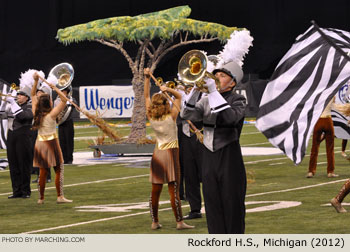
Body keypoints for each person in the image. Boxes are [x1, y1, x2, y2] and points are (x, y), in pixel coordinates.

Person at [181, 61, 247, 234]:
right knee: (212, 206)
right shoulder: (206, 100)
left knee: (232, 207)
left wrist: (212, 92)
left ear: (233, 83)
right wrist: (195, 91)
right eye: (216, 74)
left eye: (222, 76)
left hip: (229, 158)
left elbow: (229, 118)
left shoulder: (238, 99)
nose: (216, 77)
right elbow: (186, 115)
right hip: (208, 158)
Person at [144, 68, 194, 230]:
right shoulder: (172, 116)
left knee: (155, 190)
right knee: (174, 190)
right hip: (171, 153)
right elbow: (179, 96)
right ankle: (179, 222)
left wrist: (146, 78)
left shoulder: (151, 116)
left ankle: (155, 221)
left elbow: (145, 96)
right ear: (166, 103)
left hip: (157, 154)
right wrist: (168, 90)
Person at [31, 72, 72, 204]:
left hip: (40, 143)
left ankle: (41, 198)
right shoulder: (52, 114)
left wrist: (36, 81)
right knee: (59, 169)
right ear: (49, 103)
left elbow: (32, 95)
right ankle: (60, 196)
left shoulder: (36, 113)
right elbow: (64, 100)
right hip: (52, 142)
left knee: (42, 171)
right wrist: (55, 88)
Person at [2, 85, 33, 199]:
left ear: (27, 97)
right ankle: (16, 191)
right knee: (13, 164)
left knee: (23, 164)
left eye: (21, 95)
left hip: (23, 136)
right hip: (12, 135)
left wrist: (12, 103)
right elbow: (1, 114)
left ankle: (25, 191)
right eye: (18, 94)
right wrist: (5, 103)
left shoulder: (30, 106)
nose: (18, 96)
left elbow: (23, 116)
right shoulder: (13, 106)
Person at [307, 97, 338, 178]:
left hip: (319, 120)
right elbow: (334, 107)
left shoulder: (318, 94)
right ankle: (330, 172)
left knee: (314, 147)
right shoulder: (332, 94)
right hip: (328, 120)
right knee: (330, 148)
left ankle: (311, 171)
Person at [54, 86, 75, 164]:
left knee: (69, 141)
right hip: (61, 123)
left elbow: (74, 105)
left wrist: (70, 102)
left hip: (68, 122)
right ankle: (63, 158)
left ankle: (69, 158)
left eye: (63, 91)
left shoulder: (71, 99)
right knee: (62, 141)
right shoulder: (56, 100)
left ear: (66, 92)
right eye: (61, 91)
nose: (61, 93)